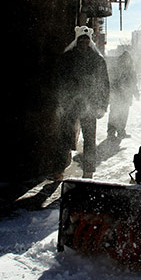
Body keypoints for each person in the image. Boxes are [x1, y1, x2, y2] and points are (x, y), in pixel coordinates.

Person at [56, 26, 110, 179]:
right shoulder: (67, 58)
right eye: (81, 40)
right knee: (64, 136)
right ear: (77, 41)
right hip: (70, 104)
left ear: (90, 41)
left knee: (89, 139)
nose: (84, 43)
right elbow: (60, 81)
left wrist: (102, 106)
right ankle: (60, 169)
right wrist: (61, 102)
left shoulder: (98, 60)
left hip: (91, 105)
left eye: (87, 40)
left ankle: (88, 171)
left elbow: (104, 84)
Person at [107, 51, 139, 139]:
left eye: (128, 59)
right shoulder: (116, 69)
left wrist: (136, 93)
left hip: (126, 97)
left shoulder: (131, 70)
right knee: (114, 114)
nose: (126, 61)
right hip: (117, 96)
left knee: (124, 115)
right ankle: (111, 133)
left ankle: (121, 131)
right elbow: (111, 82)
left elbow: (133, 83)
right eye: (125, 59)